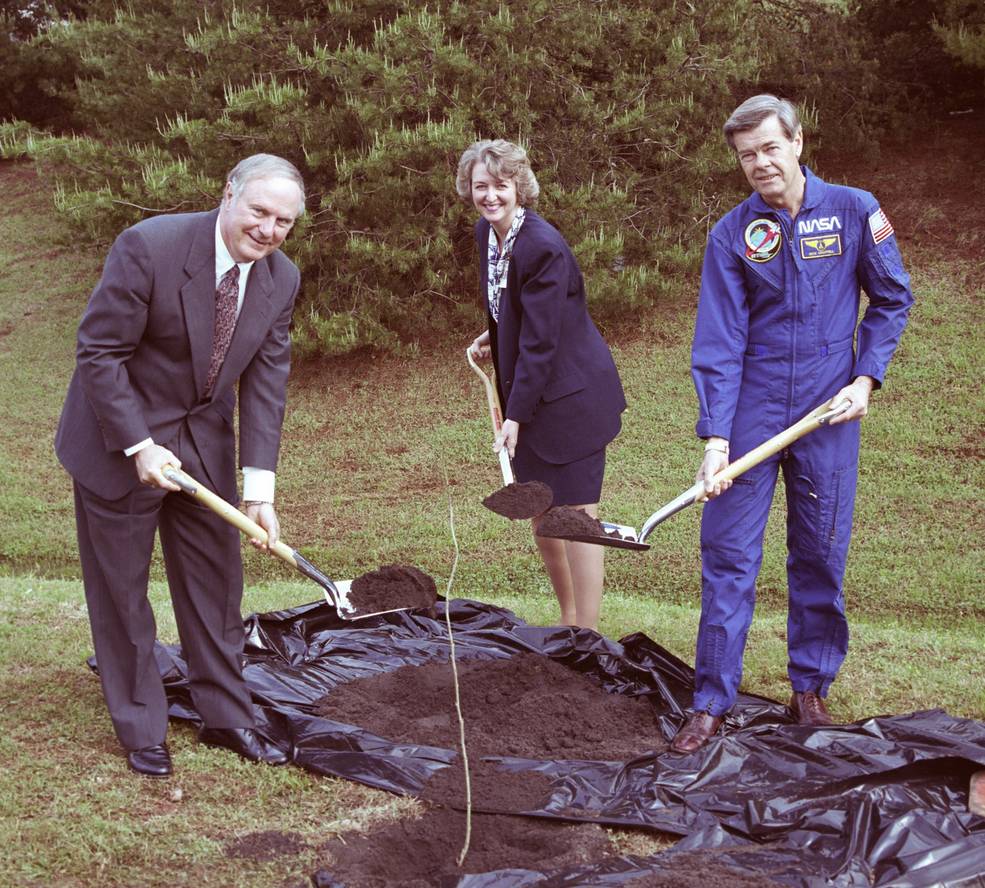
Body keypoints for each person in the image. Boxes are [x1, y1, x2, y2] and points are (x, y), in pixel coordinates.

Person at [671, 96, 914, 754]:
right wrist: (717, 441)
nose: (759, 163)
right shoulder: (731, 235)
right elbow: (718, 343)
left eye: (769, 147)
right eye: (747, 155)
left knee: (818, 556)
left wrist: (865, 378)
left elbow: (891, 298)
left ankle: (809, 688)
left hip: (828, 410)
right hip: (751, 414)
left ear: (797, 142)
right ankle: (710, 703)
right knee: (727, 558)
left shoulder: (854, 210)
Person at [55, 153, 306, 776]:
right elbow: (99, 352)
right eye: (260, 211)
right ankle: (142, 726)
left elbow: (267, 381)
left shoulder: (281, 279)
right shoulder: (150, 246)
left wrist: (258, 490)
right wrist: (139, 444)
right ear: (228, 195)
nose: (268, 230)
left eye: (283, 222)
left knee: (216, 585)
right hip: (121, 443)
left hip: (203, 446)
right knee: (122, 592)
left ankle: (226, 717)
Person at [459, 139, 626, 631]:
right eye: (481, 186)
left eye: (501, 186)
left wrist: (514, 417)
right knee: (542, 515)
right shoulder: (486, 234)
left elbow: (542, 341)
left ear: (520, 188)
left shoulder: (543, 247)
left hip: (571, 401)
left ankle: (588, 637)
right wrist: (492, 336)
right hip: (531, 395)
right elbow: (513, 309)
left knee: (577, 522)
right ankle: (567, 622)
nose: (490, 196)